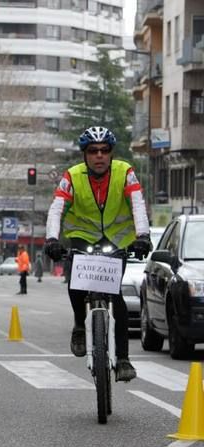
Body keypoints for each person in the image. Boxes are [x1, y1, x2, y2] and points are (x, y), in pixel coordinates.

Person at [44, 126, 151, 382]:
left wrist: (143, 236)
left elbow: (137, 203)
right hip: (83, 235)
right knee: (76, 281)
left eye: (105, 150)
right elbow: (57, 208)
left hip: (117, 238)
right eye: (93, 151)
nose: (99, 156)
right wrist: (51, 239)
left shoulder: (125, 172)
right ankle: (80, 326)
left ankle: (124, 359)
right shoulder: (72, 176)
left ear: (111, 153)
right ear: (85, 155)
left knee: (117, 295)